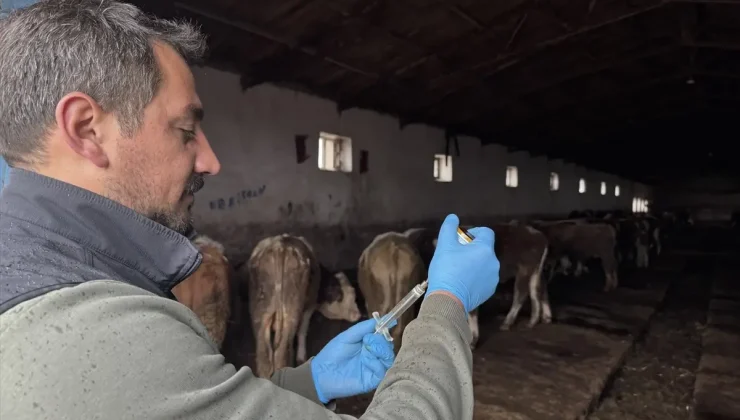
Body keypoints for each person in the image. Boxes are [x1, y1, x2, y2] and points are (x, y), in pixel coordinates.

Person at [0, 1, 501, 419]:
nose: (211, 161)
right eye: (185, 129)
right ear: (87, 128)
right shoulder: (96, 332)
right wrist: (448, 303)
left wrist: (308, 382)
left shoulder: (41, 272)